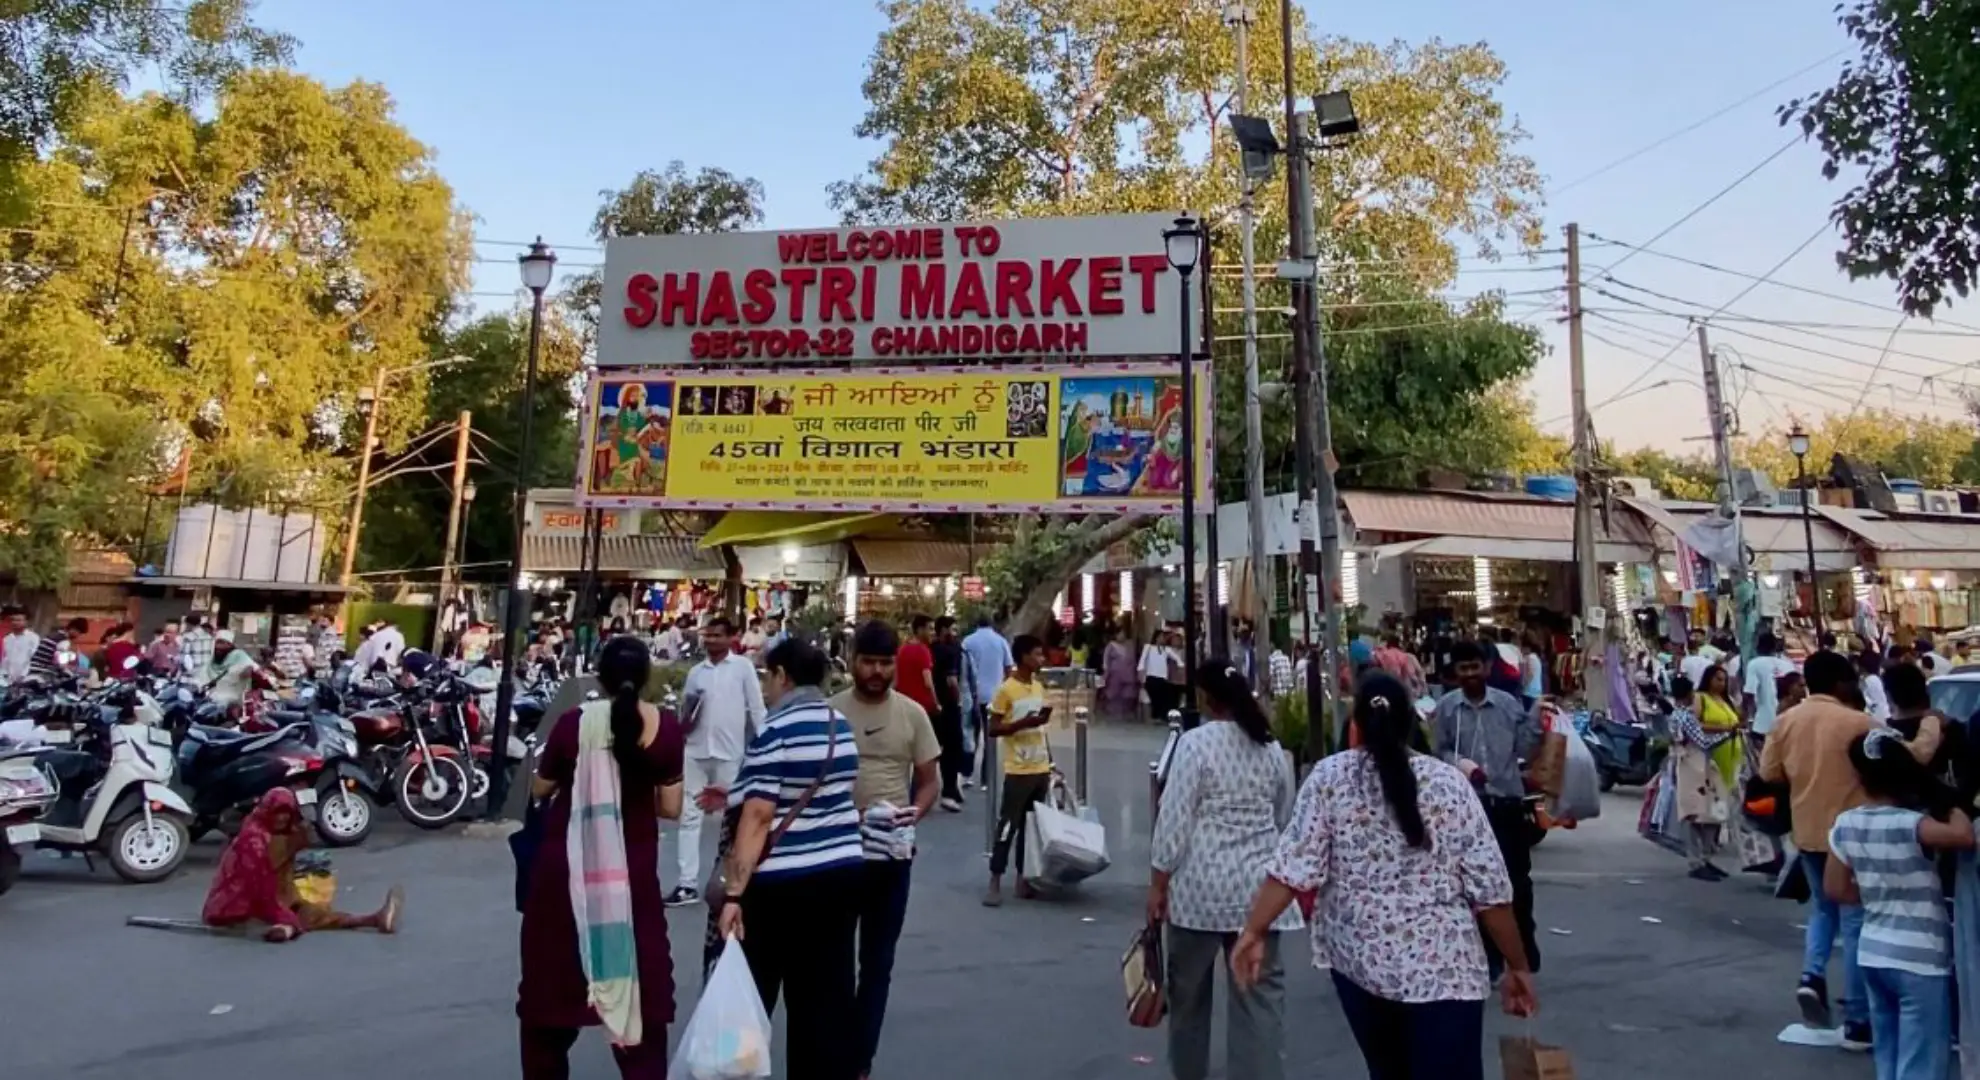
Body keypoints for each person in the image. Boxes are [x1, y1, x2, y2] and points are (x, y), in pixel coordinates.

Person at [1233, 672, 1537, 1080]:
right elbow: (1492, 893)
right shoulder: (1450, 785)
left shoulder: (1329, 778)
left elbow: (1292, 869)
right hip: (1447, 974)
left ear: (1355, 724)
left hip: (1363, 967)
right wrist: (1517, 966)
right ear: (1412, 723)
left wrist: (1253, 932)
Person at [518, 636, 684, 1079]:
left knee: (547, 1014)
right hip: (631, 890)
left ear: (600, 675)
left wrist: (590, 791)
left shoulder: (575, 725)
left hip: (566, 886)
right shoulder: (665, 728)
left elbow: (539, 790)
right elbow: (671, 807)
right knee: (641, 1012)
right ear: (647, 676)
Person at [1762, 649, 1939, 1046]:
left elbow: (1769, 772)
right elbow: (1908, 758)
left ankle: (1812, 974)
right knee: (1856, 920)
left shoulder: (1785, 722)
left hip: (1808, 830)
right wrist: (1930, 726)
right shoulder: (1858, 722)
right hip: (1853, 834)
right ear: (1841, 683)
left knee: (1824, 911)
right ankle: (1859, 1017)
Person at [716, 638, 865, 1080]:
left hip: (781, 886)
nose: (764, 685)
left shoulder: (774, 730)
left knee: (754, 996)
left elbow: (759, 815)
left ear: (783, 676)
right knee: (824, 1000)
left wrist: (733, 894)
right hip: (842, 873)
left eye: (767, 675)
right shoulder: (840, 724)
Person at [1150, 660, 1301, 1080]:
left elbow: (1174, 822)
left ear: (1205, 697)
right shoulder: (1270, 747)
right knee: (1260, 1002)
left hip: (1200, 890)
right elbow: (1282, 812)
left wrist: (1158, 884)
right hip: (1258, 893)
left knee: (1189, 1003)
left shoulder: (1195, 745)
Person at [1825, 727, 1972, 1080]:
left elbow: (1836, 889)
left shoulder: (1845, 826)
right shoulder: (1913, 824)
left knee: (1888, 1054)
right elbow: (1963, 835)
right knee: (1921, 1058)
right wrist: (1948, 800)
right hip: (1921, 957)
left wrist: (1878, 894)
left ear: (1860, 777)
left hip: (1873, 951)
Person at [829, 621, 940, 1080]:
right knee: (833, 963)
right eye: (869, 661)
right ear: (853, 661)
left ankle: (860, 1062)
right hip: (836, 853)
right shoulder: (831, 713)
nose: (876, 671)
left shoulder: (913, 714)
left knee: (877, 964)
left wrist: (916, 811)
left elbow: (930, 781)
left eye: (885, 662)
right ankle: (832, 1051)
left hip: (892, 857)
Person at [1431, 639, 1543, 979]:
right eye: (1463, 669)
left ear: (1486, 669)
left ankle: (1524, 946)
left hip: (1507, 803)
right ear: (1456, 673)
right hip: (1467, 809)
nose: (1469, 674)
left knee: (1517, 882)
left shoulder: (1508, 706)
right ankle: (1488, 955)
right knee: (1472, 886)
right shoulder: (1447, 709)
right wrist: (1461, 764)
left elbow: (1526, 747)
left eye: (1474, 667)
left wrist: (1538, 720)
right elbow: (1440, 751)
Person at [203, 787, 402, 941]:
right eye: (278, 812)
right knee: (296, 920)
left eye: (286, 813)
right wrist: (285, 918)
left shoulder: (278, 833)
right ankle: (284, 927)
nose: (282, 818)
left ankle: (374, 919)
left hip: (273, 898)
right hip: (237, 905)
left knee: (314, 913)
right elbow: (260, 887)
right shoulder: (254, 840)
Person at [669, 615, 765, 907]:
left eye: (717, 635)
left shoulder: (743, 668)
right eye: (707, 635)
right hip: (695, 751)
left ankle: (733, 881)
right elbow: (686, 710)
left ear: (731, 638)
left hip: (729, 752)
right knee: (689, 816)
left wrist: (764, 746)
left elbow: (756, 709)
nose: (710, 640)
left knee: (733, 820)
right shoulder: (697, 672)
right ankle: (687, 884)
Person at [983, 634, 1053, 907]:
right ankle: (995, 878)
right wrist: (1022, 724)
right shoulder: (1006, 689)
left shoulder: (1037, 687)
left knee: (1030, 826)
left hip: (1039, 765)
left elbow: (1041, 728)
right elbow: (994, 727)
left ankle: (1023, 877)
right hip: (1018, 767)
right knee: (1008, 824)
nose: (1041, 659)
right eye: (1036, 654)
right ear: (1023, 656)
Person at [1669, 675, 1734, 881]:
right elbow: (1703, 742)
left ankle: (1700, 859)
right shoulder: (1686, 717)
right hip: (1696, 765)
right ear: (1689, 694)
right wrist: (1727, 734)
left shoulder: (1675, 715)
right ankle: (1699, 860)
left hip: (1686, 764)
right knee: (1702, 812)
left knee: (1697, 813)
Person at [961, 615, 1014, 782]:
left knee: (971, 734)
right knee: (990, 737)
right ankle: (986, 777)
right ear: (992, 624)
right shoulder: (1000, 641)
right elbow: (1008, 668)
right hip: (995, 696)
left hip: (973, 695)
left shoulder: (968, 642)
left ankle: (967, 773)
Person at [929, 615, 969, 811]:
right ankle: (949, 790)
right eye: (952, 629)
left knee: (930, 750)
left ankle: (921, 792)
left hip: (931, 705)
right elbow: (951, 680)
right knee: (953, 748)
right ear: (943, 630)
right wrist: (958, 698)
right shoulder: (951, 651)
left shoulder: (930, 649)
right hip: (949, 705)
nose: (955, 633)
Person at [1742, 632, 1798, 745]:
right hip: (1787, 724)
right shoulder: (1788, 665)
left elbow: (1749, 693)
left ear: (1757, 646)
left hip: (1763, 725)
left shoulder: (1754, 664)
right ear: (1775, 647)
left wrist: (1743, 715)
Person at [895, 614, 939, 722]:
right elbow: (928, 682)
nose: (933, 633)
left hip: (903, 705)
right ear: (920, 630)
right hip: (922, 708)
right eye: (930, 629)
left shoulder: (902, 649)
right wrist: (936, 703)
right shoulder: (923, 651)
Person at [1099, 620, 1140, 723]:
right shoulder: (1111, 646)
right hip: (1114, 674)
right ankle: (1113, 713)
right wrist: (1105, 673)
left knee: (1128, 694)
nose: (1122, 636)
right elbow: (1106, 660)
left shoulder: (1130, 645)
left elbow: (1134, 660)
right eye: (1120, 633)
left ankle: (1125, 713)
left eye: (1123, 633)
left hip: (1129, 674)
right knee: (1113, 694)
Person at [1372, 634, 1429, 701]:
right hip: (1400, 686)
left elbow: (1375, 668)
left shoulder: (1382, 654)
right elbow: (1410, 673)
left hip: (1385, 686)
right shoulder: (1404, 656)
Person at [1140, 627, 1175, 721]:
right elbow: (1141, 663)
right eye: (1160, 637)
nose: (1162, 639)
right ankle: (1154, 716)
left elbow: (1178, 660)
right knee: (1154, 697)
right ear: (1156, 638)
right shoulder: (1148, 647)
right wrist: (1142, 678)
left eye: (1163, 637)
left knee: (1162, 698)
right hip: (1151, 676)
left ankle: (1159, 717)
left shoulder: (1166, 649)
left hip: (1162, 677)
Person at [1, 606, 37, 683]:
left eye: (19, 620)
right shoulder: (6, 639)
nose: (15, 622)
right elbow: (4, 659)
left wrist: (23, 675)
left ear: (26, 621)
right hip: (6, 680)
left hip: (25, 679)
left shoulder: (33, 638)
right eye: (13, 620)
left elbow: (33, 658)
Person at [177, 613, 215, 683]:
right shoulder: (210, 638)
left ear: (188, 624)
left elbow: (183, 659)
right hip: (204, 677)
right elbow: (212, 655)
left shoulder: (188, 637)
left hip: (190, 678)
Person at [1860, 649, 1892, 723]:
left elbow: (1874, 703)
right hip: (1882, 716)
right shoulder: (1874, 679)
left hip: (1879, 718)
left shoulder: (1870, 680)